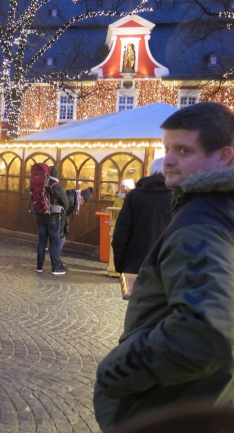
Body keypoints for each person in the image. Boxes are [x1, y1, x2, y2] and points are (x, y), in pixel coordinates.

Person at [94, 102, 234, 431]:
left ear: (224, 156)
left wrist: (113, 372)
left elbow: (205, 334)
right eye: (167, 148)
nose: (168, 160)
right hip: (205, 395)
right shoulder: (219, 210)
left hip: (168, 404)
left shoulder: (201, 221)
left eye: (183, 150)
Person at [111, 158, 172, 275]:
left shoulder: (134, 196)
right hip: (168, 268)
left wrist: (121, 266)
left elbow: (120, 234)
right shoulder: (180, 197)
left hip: (134, 266)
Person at [34, 166, 68, 275]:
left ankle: (39, 266)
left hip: (40, 217)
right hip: (53, 218)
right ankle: (55, 267)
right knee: (54, 242)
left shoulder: (40, 185)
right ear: (57, 175)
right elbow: (66, 203)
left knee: (42, 241)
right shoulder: (56, 186)